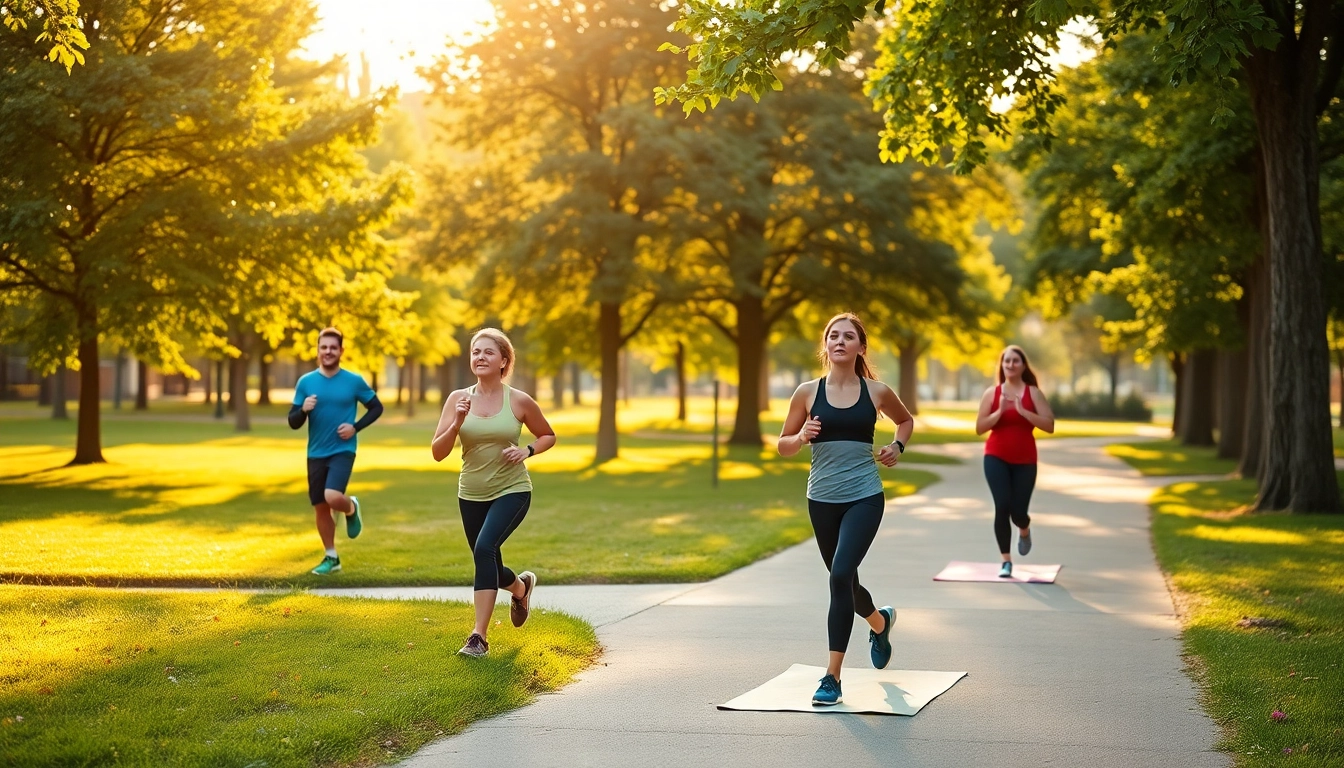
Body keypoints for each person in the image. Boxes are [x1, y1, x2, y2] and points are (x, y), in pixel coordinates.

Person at [778, 312, 915, 706]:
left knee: (838, 576)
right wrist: (801, 436)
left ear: (860, 346)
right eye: (833, 335)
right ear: (826, 345)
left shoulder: (876, 392)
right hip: (821, 500)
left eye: (848, 336)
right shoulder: (807, 392)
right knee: (846, 582)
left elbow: (904, 421)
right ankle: (879, 621)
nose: (840, 341)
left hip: (864, 497)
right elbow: (782, 444)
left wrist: (897, 447)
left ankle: (831, 678)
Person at [432, 328, 556, 658]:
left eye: (488, 352)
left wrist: (527, 450)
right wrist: (457, 422)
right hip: (471, 493)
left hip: (512, 489)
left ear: (504, 360)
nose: (480, 357)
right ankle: (520, 587)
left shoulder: (518, 400)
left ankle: (479, 638)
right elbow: (438, 452)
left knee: (485, 548)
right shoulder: (457, 399)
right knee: (486, 559)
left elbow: (547, 435)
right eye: (475, 352)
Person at [289, 328, 384, 576]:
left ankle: (350, 506)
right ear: (318, 350)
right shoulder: (306, 382)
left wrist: (355, 427)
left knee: (332, 496)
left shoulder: (353, 381)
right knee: (321, 507)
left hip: (343, 449)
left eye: (333, 347)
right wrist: (304, 410)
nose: (328, 351)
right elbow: (293, 421)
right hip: (315, 453)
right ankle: (332, 557)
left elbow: (376, 407)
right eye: (324, 347)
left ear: (341, 351)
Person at [974, 344, 1055, 578]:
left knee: (1018, 512)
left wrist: (1023, 411)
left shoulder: (1033, 393)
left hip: (1025, 459)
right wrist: (999, 412)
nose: (1010, 365)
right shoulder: (992, 393)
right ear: (1002, 365)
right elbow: (980, 428)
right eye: (1006, 361)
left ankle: (1024, 528)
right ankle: (1006, 561)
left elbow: (1049, 425)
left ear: (1023, 366)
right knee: (1002, 505)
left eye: (1015, 361)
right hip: (995, 456)